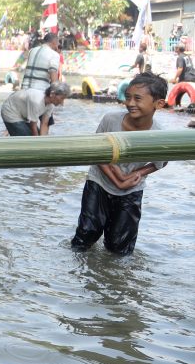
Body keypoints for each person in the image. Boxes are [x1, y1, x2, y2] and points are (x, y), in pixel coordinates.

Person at [71, 73, 168, 255]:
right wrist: (117, 179)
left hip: (131, 189)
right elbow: (96, 152)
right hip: (99, 182)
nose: (130, 103)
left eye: (137, 98)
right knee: (86, 235)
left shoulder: (158, 134)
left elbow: (161, 162)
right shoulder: (111, 120)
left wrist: (138, 173)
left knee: (120, 246)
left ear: (159, 104)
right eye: (128, 96)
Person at [0, 82, 69, 136]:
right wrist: (37, 143)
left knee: (37, 136)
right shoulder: (37, 101)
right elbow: (33, 126)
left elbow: (44, 124)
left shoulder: (51, 105)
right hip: (10, 111)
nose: (62, 102)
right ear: (52, 94)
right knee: (27, 138)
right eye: (62, 98)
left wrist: (43, 142)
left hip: (23, 115)